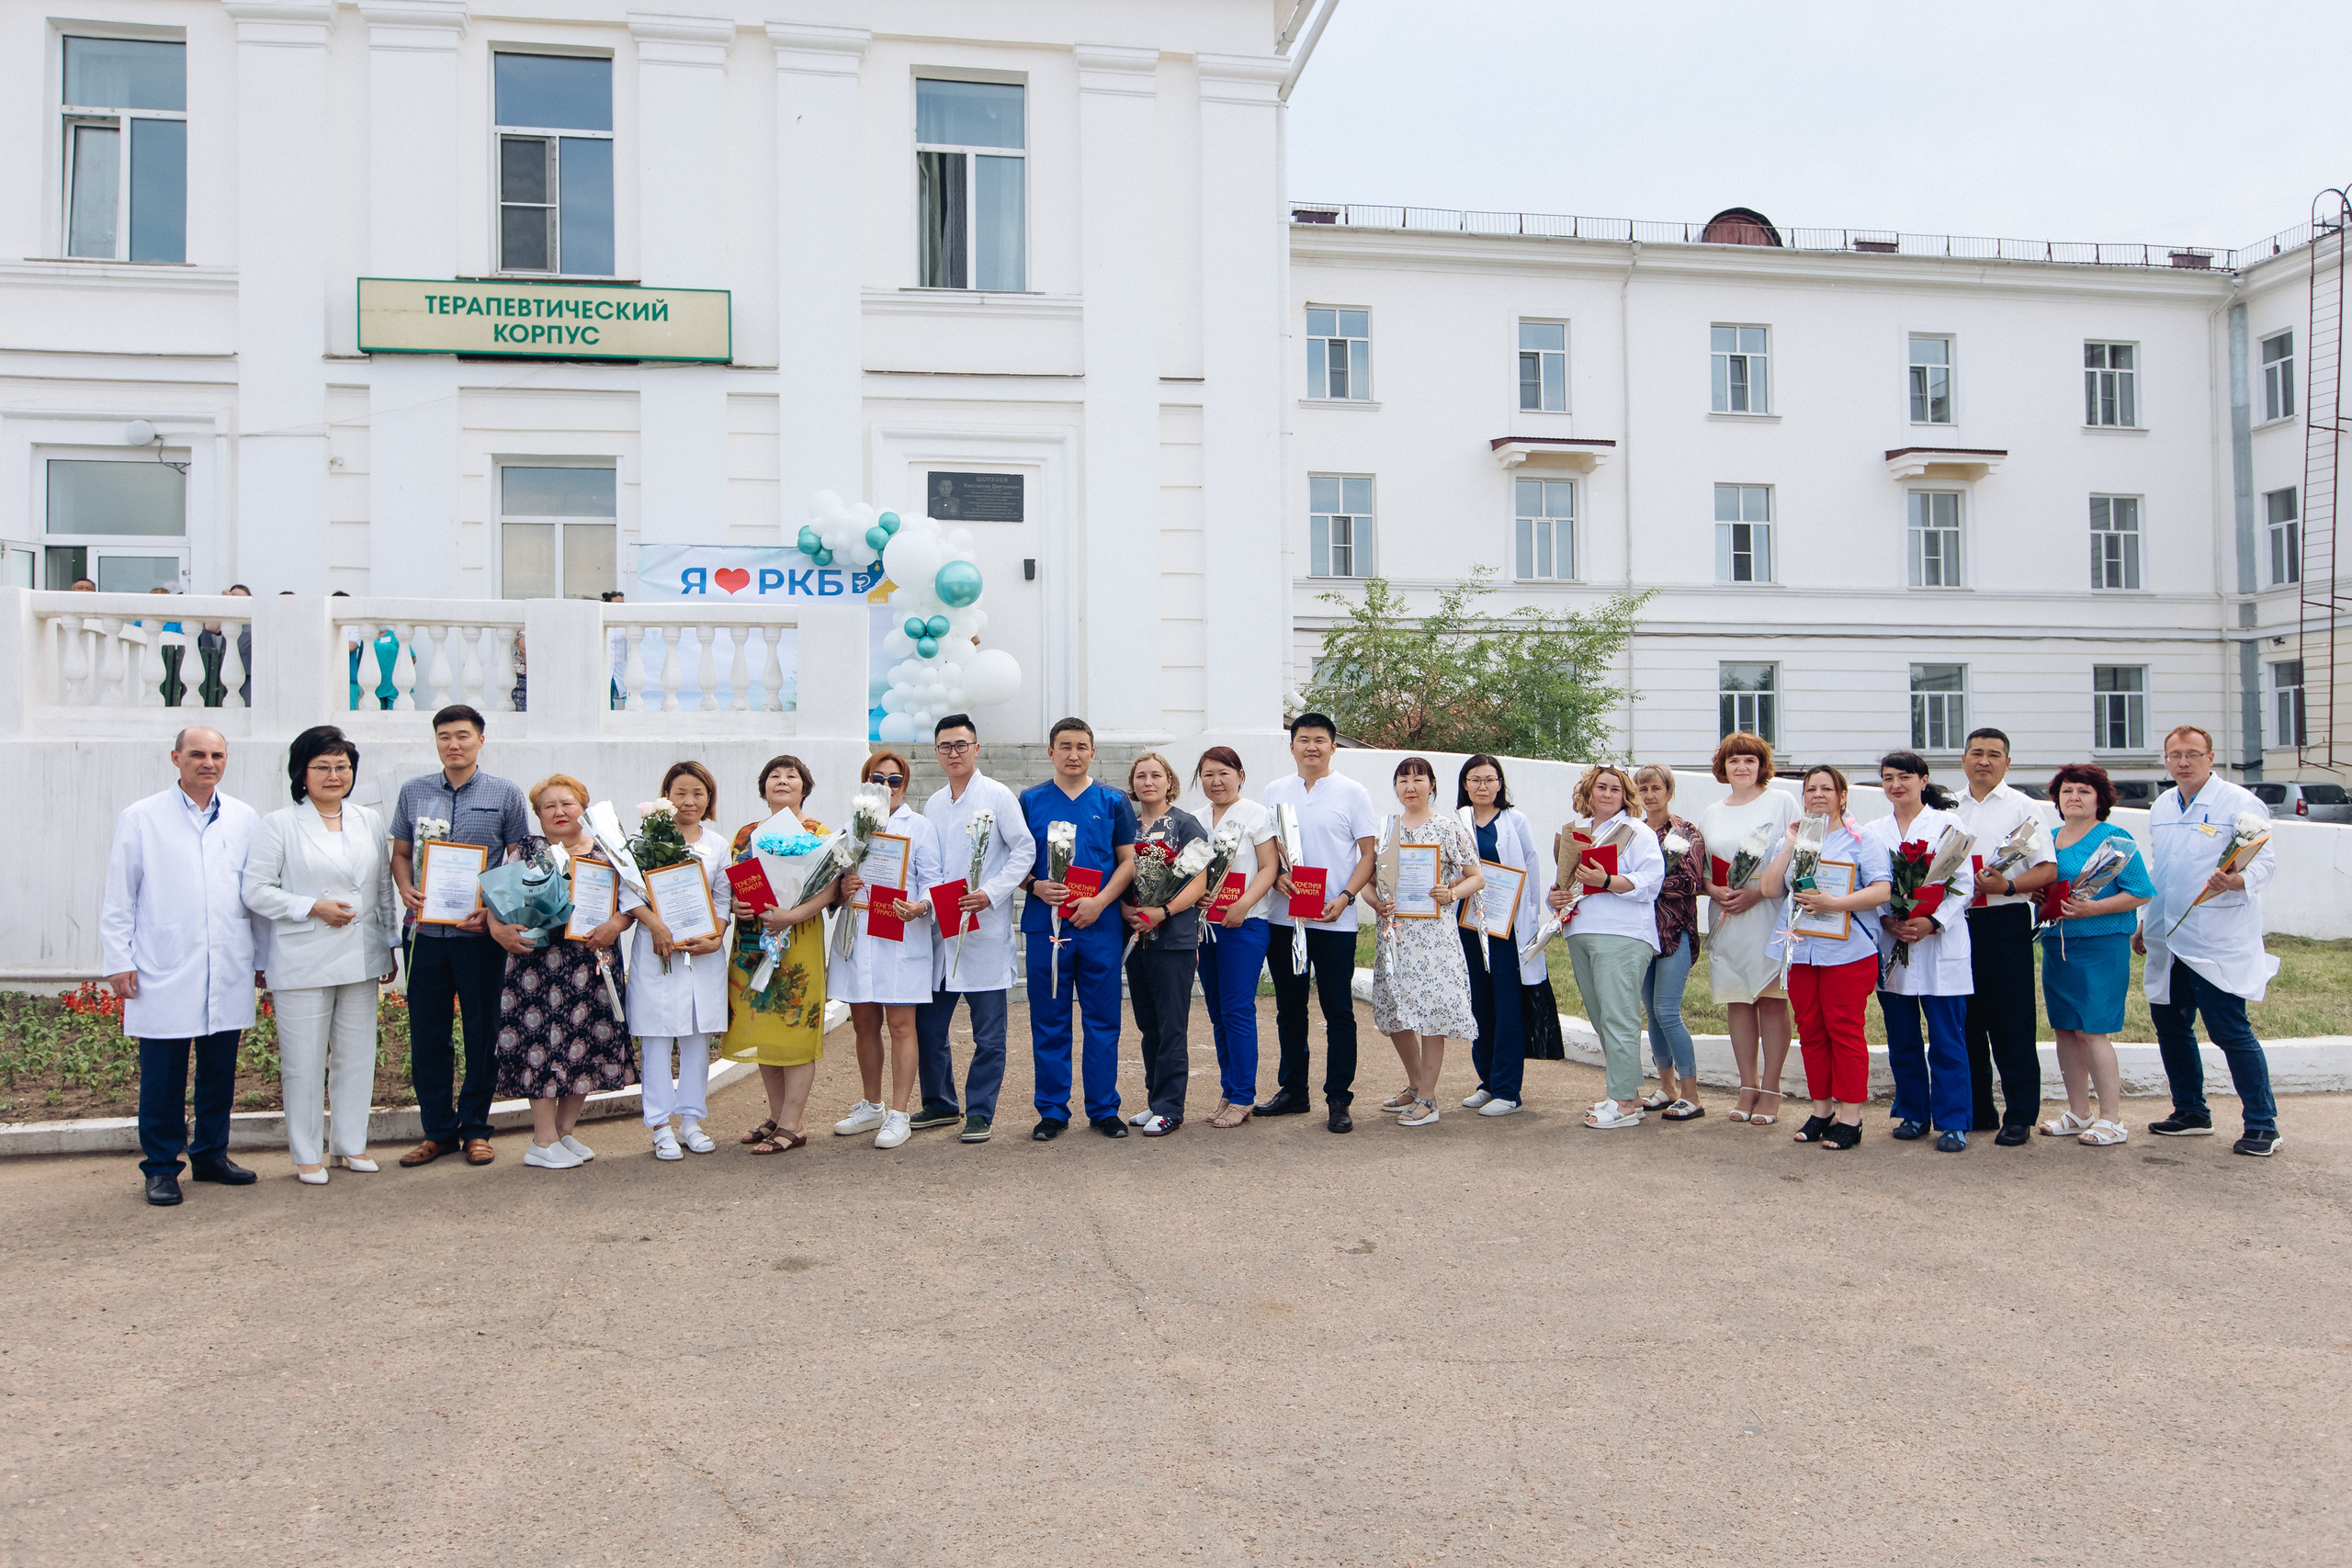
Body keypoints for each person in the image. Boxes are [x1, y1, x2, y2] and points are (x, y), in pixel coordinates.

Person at [100, 727, 269, 1206]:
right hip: (163, 965)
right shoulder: (141, 817)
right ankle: (160, 1167)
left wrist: (261, 958)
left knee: (219, 1071)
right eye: (197, 754)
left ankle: (211, 1155)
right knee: (163, 1076)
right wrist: (118, 960)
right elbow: (120, 895)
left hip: (227, 962)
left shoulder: (244, 818)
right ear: (176, 758)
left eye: (217, 755)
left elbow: (254, 895)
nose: (207, 763)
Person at [241, 726, 400, 1184]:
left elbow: (381, 888)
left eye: (342, 766)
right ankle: (307, 1154)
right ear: (302, 773)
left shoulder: (368, 820)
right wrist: (312, 906)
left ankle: (350, 1144)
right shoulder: (279, 824)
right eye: (323, 767)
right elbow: (256, 890)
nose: (334, 775)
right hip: (303, 956)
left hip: (361, 952)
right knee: (304, 1062)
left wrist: (389, 943)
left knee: (356, 1055)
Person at [388, 704, 532, 1168]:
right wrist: (405, 887)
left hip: (479, 936)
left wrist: (492, 910)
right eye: (445, 736)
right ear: (436, 741)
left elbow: (517, 858)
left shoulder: (505, 793)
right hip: (424, 932)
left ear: (480, 741)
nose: (454, 744)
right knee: (428, 1035)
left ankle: (475, 1128)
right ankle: (437, 1131)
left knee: (481, 1031)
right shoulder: (413, 792)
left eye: (463, 735)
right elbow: (401, 853)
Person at [2136, 725, 2282, 1156]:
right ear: (2166, 760)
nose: (2183, 762)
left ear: (2210, 757)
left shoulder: (2239, 802)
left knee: (2229, 1030)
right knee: (2171, 1026)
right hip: (2167, 934)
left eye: (2193, 754)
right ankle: (2191, 1111)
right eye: (2175, 755)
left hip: (2216, 937)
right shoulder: (2163, 805)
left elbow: (2265, 862)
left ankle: (2262, 1124)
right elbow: (2161, 869)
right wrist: (2146, 921)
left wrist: (2236, 881)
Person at [485, 776, 633, 1169]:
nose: (559, 812)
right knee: (542, 1045)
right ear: (538, 815)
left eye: (567, 804)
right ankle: (542, 1140)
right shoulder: (527, 851)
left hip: (591, 961)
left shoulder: (606, 850)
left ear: (583, 807)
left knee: (584, 1042)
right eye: (548, 806)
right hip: (537, 966)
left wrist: (615, 925)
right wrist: (500, 928)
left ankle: (564, 1132)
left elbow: (633, 901)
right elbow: (497, 900)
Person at [913, 714, 1035, 1145]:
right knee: (929, 1028)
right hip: (942, 927)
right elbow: (929, 864)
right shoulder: (933, 804)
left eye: (961, 745)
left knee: (988, 1035)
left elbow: (1024, 850)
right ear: (936, 753)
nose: (954, 753)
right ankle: (940, 1103)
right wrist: (927, 900)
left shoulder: (997, 796)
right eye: (945, 746)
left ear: (976, 748)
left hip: (983, 928)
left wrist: (991, 893)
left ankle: (980, 1111)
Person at [1259, 712, 1381, 1134]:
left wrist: (1346, 897)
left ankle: (1338, 1098)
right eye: (1304, 739)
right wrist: (1277, 876)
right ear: (1291, 745)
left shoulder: (1353, 793)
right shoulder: (1274, 791)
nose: (1312, 746)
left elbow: (1368, 854)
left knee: (1338, 1010)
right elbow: (1266, 850)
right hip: (1284, 917)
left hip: (1334, 920)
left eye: (1320, 740)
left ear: (1333, 746)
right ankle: (1293, 1090)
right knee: (1289, 1008)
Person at [1018, 717, 1139, 1140]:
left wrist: (1100, 902)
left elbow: (1128, 861)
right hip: (1046, 926)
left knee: (1103, 1020)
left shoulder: (1113, 800)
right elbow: (1011, 861)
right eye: (1065, 746)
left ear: (1093, 752)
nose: (1073, 754)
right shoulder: (1030, 801)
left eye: (1081, 746)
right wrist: (1034, 885)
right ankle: (1052, 1110)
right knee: (1049, 1019)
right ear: (1050, 752)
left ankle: (1104, 1108)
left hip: (1099, 925)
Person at [1762, 765, 1891, 1150]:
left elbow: (1882, 890)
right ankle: (1822, 1110)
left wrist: (1834, 903)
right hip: (1802, 950)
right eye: (1811, 789)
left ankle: (1851, 1116)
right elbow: (1770, 888)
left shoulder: (1862, 839)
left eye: (1827, 789)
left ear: (1842, 796)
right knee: (1811, 1030)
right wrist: (1790, 842)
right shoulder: (1797, 838)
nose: (1818, 795)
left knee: (1844, 1030)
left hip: (1847, 950)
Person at [722, 755, 842, 1155]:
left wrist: (791, 915)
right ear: (764, 787)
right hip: (752, 941)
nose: (782, 781)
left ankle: (793, 1123)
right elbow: (737, 882)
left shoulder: (818, 833)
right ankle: (777, 1116)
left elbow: (831, 888)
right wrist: (738, 905)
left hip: (798, 939)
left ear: (804, 787)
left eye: (792, 775)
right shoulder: (746, 834)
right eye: (774, 775)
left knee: (795, 1025)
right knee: (764, 1027)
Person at [830, 750, 942, 1151]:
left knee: (900, 1026)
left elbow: (933, 880)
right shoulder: (850, 828)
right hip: (860, 932)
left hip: (899, 931)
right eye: (877, 779)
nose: (886, 786)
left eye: (894, 780)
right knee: (863, 1024)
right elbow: (835, 882)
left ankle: (899, 1112)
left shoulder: (921, 827)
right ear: (866, 783)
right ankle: (872, 1105)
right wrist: (842, 888)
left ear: (905, 786)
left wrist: (920, 906)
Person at [2038, 763, 2155, 1147]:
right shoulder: (2049, 839)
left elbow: (2140, 891)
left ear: (2099, 799)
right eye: (2067, 790)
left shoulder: (2115, 840)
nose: (2074, 797)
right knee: (2065, 1029)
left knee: (2092, 1030)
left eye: (2084, 791)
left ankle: (2112, 1119)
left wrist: (2094, 909)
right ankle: (2078, 1113)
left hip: (2102, 943)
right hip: (2057, 943)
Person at [1866, 751, 1977, 1152]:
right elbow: (1868, 884)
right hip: (1894, 943)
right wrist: (1886, 920)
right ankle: (1913, 1112)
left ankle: (1953, 1121)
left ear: (1923, 780)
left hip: (1939, 942)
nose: (1896, 785)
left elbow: (1964, 885)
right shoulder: (1873, 832)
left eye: (1904, 777)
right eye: (1888, 778)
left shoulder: (1948, 824)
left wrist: (1933, 920)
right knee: (1903, 1037)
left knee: (1947, 1039)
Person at [1952, 728, 2058, 1145]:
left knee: (2011, 1021)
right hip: (1956, 923)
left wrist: (2008, 886)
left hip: (2003, 920)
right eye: (1976, 753)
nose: (1984, 761)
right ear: (1963, 759)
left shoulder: (2024, 807)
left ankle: (2019, 1114)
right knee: (1965, 1019)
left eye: (1994, 754)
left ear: (2007, 763)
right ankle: (1978, 1108)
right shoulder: (1947, 807)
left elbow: (2046, 869)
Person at [1366, 758, 1484, 1127]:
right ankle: (1416, 1084)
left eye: (1418, 779)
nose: (1410, 787)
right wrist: (1376, 903)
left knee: (1432, 1013)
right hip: (1395, 936)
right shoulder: (1386, 829)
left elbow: (1476, 877)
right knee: (1395, 1011)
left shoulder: (1447, 827)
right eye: (1403, 780)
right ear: (1395, 786)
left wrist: (1452, 893)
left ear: (1432, 784)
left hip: (1434, 938)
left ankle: (1429, 1099)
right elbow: (1366, 881)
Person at [1547, 764, 1664, 1129]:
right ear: (1589, 792)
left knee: (1618, 1016)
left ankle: (1624, 1103)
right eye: (1601, 787)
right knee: (1602, 1018)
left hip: (1622, 933)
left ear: (1625, 795)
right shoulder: (1577, 833)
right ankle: (1627, 1093)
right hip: (1580, 930)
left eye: (1616, 788)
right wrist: (1556, 897)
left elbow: (1651, 881)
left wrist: (1608, 879)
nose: (1608, 794)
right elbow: (1564, 885)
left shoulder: (1638, 831)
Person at [627, 761, 733, 1160]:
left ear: (709, 799)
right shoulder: (645, 840)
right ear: (666, 797)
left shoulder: (717, 844)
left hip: (701, 953)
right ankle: (660, 1125)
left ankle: (691, 1120)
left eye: (698, 793)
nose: (689, 801)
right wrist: (655, 925)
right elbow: (627, 891)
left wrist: (716, 935)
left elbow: (722, 896)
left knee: (696, 1037)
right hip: (658, 950)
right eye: (680, 793)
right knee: (657, 1037)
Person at [1697, 733, 1801, 1125]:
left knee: (1771, 1000)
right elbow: (1704, 869)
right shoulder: (1712, 812)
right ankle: (1747, 1086)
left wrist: (1757, 893)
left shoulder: (1782, 802)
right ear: (1723, 767)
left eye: (1749, 760)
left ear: (1762, 766)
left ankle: (1771, 1088)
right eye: (1733, 760)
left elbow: (1799, 858)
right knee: (1737, 1000)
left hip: (1768, 912)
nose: (1741, 767)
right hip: (1726, 915)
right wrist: (1714, 890)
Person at [1453, 754, 1548, 1118]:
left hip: (1507, 929)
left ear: (1500, 784)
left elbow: (1531, 868)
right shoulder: (1456, 822)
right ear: (1465, 785)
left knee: (1507, 1004)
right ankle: (1488, 1082)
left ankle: (1508, 1091)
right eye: (1475, 780)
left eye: (1490, 779)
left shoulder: (1514, 821)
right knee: (1479, 1003)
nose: (1483, 786)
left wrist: (1530, 919)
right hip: (1468, 925)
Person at [1121, 751, 1210, 1136]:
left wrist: (1164, 911)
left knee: (1172, 1025)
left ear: (1169, 781)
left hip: (1173, 939)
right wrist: (1125, 908)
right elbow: (1117, 872)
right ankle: (1155, 1098)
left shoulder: (1185, 824)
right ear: (1133, 784)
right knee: (1148, 1023)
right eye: (1141, 776)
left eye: (1156, 775)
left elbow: (1199, 880)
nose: (1148, 782)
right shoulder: (1126, 825)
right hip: (1135, 937)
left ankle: (1171, 1107)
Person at [1193, 747, 1280, 1128]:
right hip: (1204, 928)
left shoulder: (1256, 814)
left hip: (1244, 925)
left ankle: (1244, 1096)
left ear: (1240, 775)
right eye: (1208, 774)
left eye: (1224, 773)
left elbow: (1269, 867)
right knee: (1217, 1012)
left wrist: (1243, 905)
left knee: (1237, 1009)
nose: (1217, 781)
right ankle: (1229, 1090)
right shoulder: (1195, 819)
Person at [1632, 762, 1708, 1121]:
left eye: (1655, 788)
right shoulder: (1633, 831)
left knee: (1667, 1011)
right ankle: (1667, 1088)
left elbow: (1692, 882)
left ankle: (1692, 1095)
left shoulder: (1686, 832)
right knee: (1652, 1014)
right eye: (1642, 789)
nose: (1649, 795)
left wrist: (1642, 881)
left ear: (1669, 791)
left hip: (1675, 931)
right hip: (1640, 933)